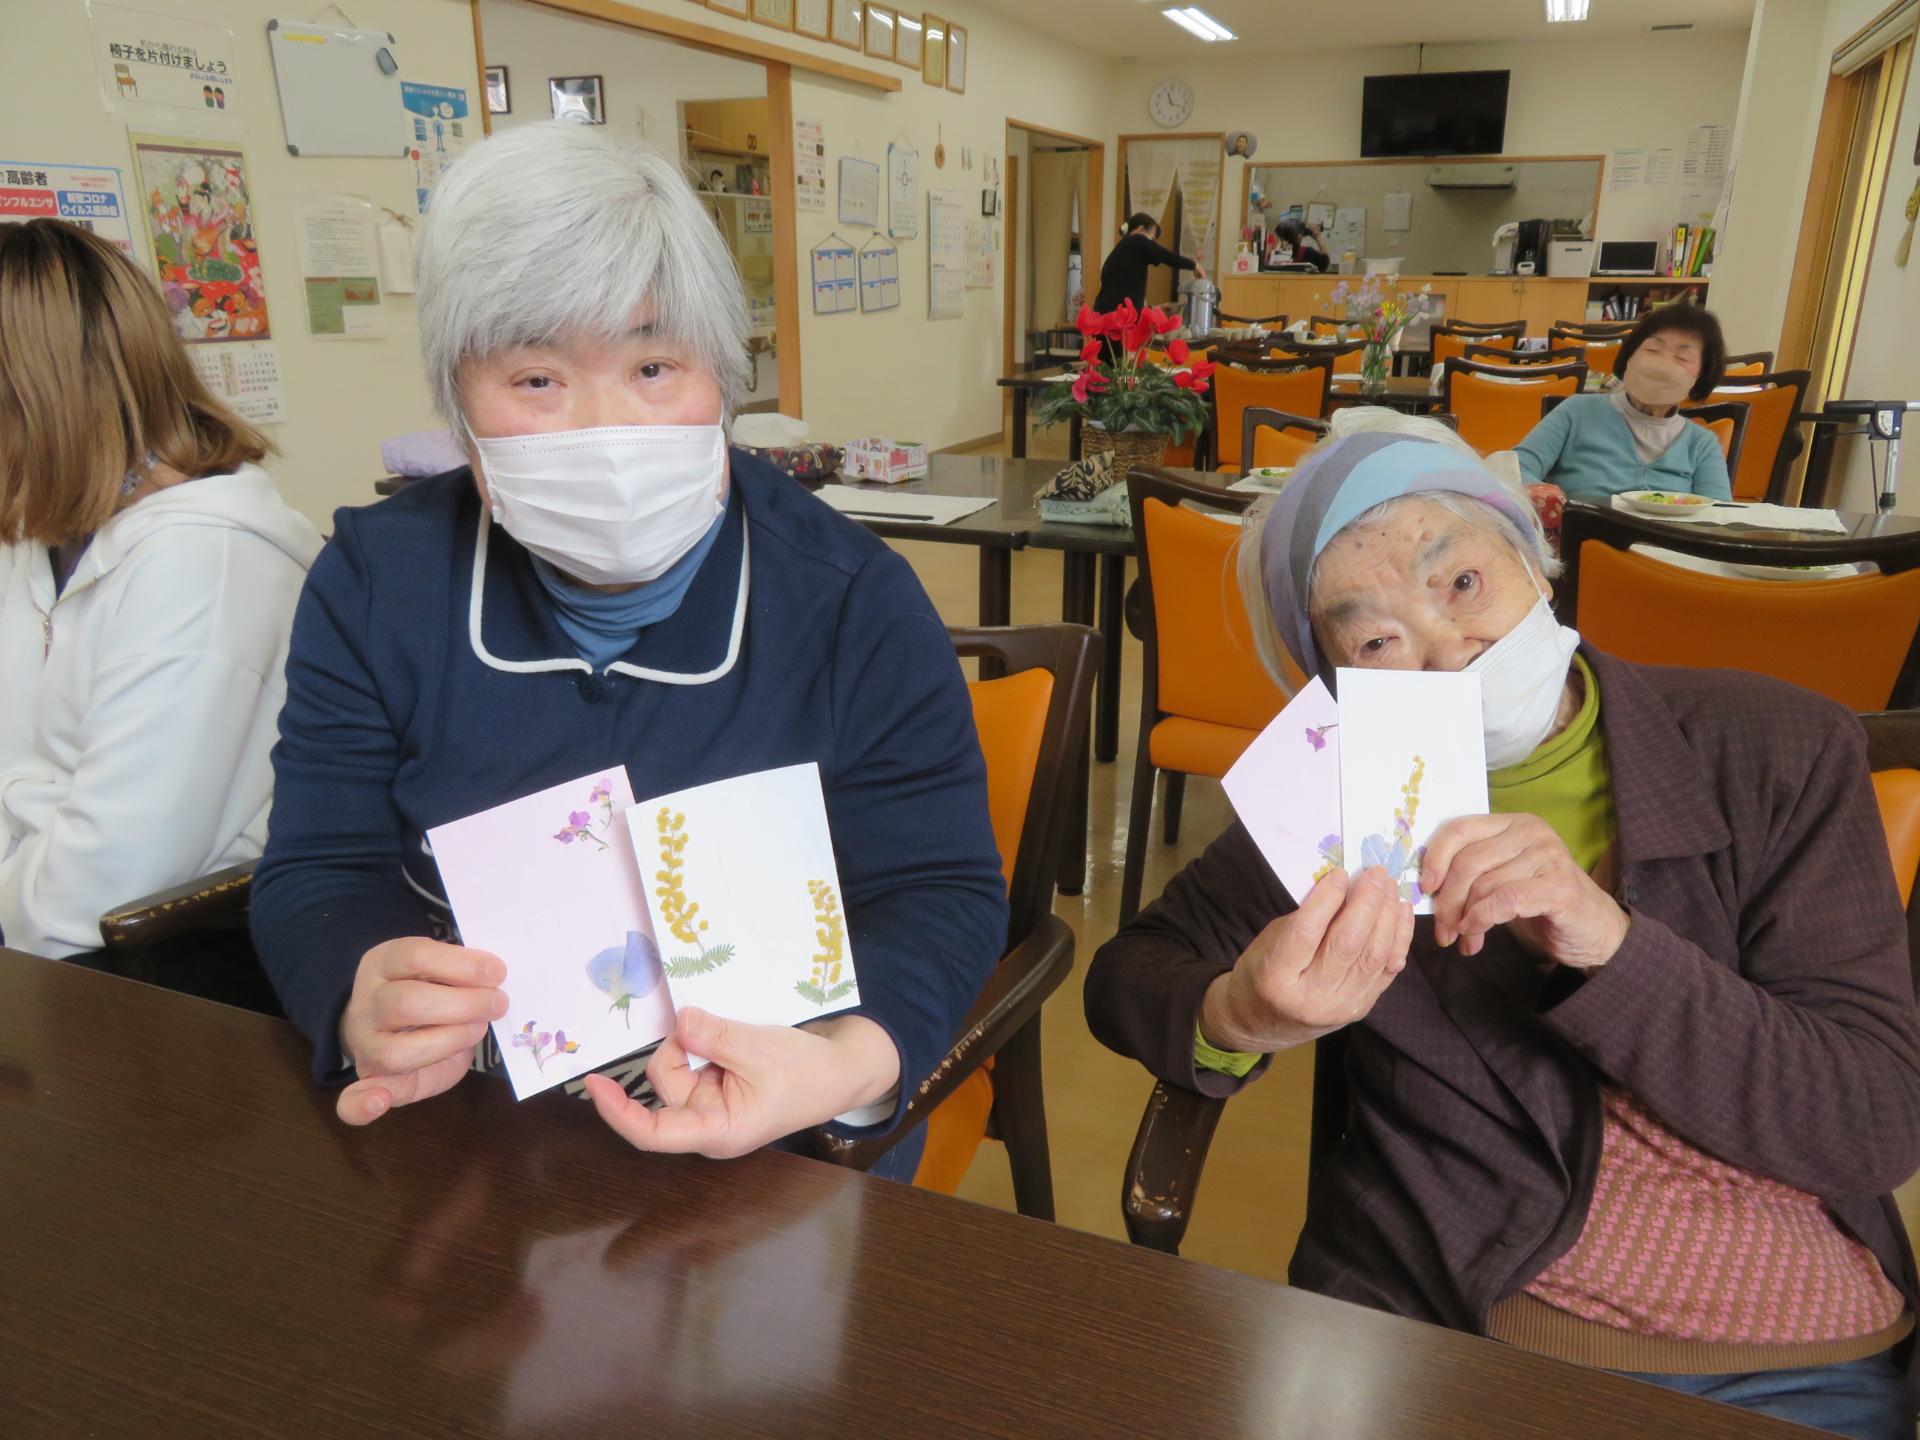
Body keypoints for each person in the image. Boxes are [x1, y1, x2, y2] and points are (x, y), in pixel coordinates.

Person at [1086, 407, 1920, 1440]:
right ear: (1335, 687)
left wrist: (1607, 942)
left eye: (1464, 582)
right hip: (1457, 1325)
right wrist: (1237, 1014)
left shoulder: (1777, 749)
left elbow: (1870, 1121)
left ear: (1537, 555)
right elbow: (1130, 971)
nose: (1448, 651)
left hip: (1784, 1355)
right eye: (1377, 639)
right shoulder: (1343, 802)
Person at [249, 122, 1007, 1180]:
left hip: (774, 1136)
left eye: (654, 366)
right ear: (460, 414)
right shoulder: (376, 583)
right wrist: (360, 986)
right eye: (537, 380)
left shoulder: (852, 601)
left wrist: (848, 1064)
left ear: (724, 379)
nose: (602, 430)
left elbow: (941, 889)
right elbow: (319, 866)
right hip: (470, 1127)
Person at [0, 218, 321, 960]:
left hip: (153, 966)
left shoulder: (205, 563)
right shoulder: (42, 531)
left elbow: (99, 889)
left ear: (33, 402)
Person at [1513, 306, 1731, 502]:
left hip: (1666, 537)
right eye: (1652, 351)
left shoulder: (1702, 444)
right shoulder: (1577, 411)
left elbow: (1720, 512)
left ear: (1702, 374)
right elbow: (1517, 467)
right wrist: (1550, 498)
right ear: (1630, 357)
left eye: (1682, 358)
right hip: (1579, 532)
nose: (1662, 365)